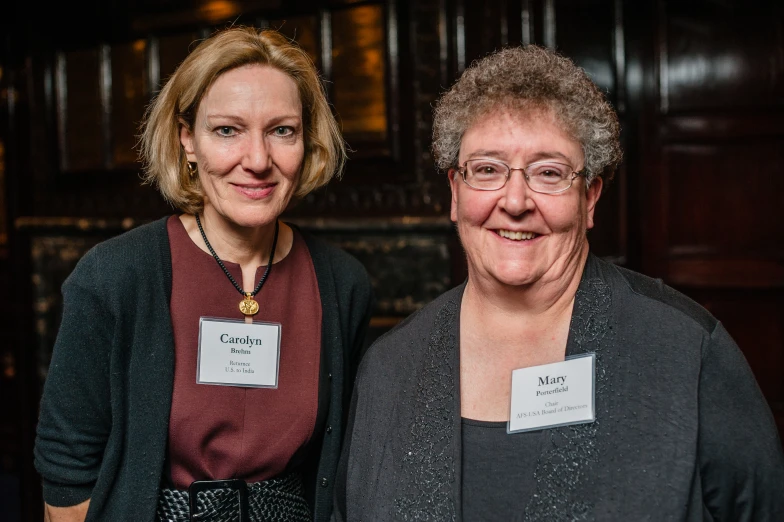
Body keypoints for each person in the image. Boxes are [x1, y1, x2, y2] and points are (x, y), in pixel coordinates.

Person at [333, 45, 784, 521]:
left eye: (548, 173)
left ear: (589, 197)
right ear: (455, 190)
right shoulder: (389, 368)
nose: (515, 201)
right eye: (487, 169)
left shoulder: (685, 349)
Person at [34, 26, 374, 522]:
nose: (257, 161)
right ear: (187, 139)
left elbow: (346, 466)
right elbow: (67, 469)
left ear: (307, 142)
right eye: (227, 130)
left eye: (282, 130)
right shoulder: (114, 276)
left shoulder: (343, 284)